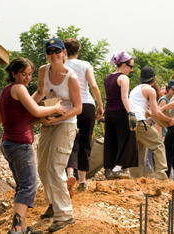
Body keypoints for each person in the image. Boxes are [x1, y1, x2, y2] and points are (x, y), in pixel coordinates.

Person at [0, 57, 65, 234]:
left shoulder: (6, 90)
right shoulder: (19, 88)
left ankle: (22, 228)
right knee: (28, 186)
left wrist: (19, 117)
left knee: (22, 185)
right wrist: (55, 108)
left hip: (8, 143)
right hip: (20, 144)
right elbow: (37, 110)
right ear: (13, 73)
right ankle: (16, 229)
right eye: (23, 74)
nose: (26, 78)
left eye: (29, 74)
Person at [33, 38, 82, 232]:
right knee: (43, 167)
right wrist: (28, 106)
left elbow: (78, 107)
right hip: (48, 119)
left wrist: (57, 119)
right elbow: (39, 93)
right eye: (50, 52)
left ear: (63, 53)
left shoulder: (71, 77)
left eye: (57, 51)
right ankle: (54, 203)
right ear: (47, 54)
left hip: (66, 123)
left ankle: (65, 215)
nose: (53, 55)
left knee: (55, 167)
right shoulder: (43, 71)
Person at [63, 38, 104, 192]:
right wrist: (100, 105)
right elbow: (93, 85)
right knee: (85, 142)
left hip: (70, 106)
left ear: (64, 50)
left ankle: (69, 174)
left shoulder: (61, 66)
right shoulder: (85, 64)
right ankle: (82, 180)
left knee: (70, 142)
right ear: (78, 51)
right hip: (87, 105)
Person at [129, 67, 174, 180]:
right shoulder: (150, 90)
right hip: (140, 121)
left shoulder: (135, 89)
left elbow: (146, 111)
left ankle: (136, 177)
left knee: (138, 150)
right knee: (158, 145)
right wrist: (168, 120)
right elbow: (156, 112)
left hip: (130, 122)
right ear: (154, 79)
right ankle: (161, 176)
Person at [103, 51, 138, 179]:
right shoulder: (123, 78)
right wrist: (130, 113)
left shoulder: (108, 77)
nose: (131, 69)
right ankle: (118, 167)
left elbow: (107, 97)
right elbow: (124, 98)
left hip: (109, 113)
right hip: (120, 112)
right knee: (128, 139)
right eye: (130, 66)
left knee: (111, 140)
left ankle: (109, 168)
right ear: (123, 65)